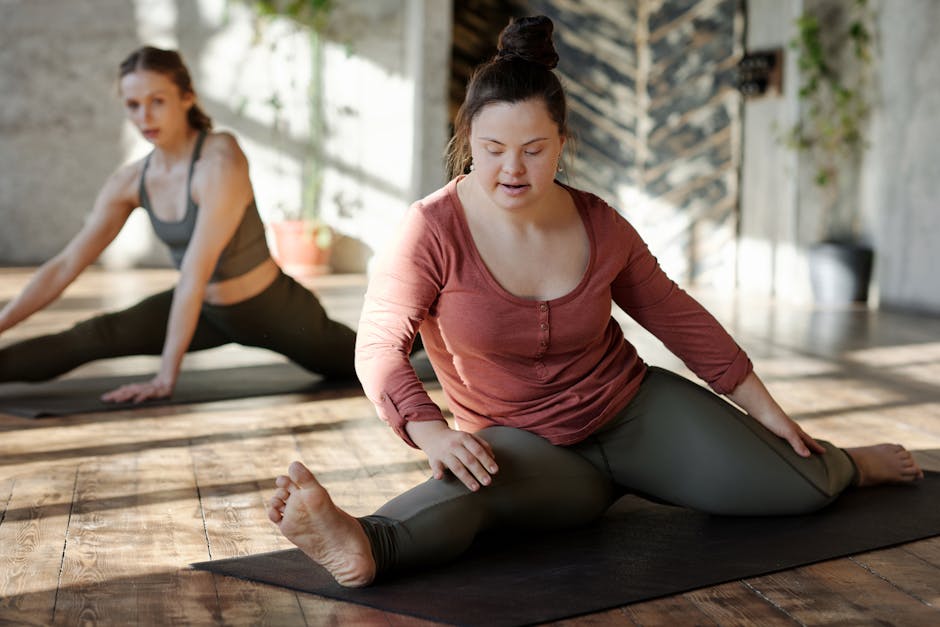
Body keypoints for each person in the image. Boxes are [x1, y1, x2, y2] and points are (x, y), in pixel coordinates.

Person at [266, 16, 923, 587]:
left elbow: (676, 314)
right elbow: (379, 344)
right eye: (492, 150)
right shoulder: (431, 229)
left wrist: (763, 407)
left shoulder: (597, 221)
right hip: (525, 442)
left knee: (798, 488)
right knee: (468, 490)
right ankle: (363, 544)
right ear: (468, 139)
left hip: (633, 411)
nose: (512, 170)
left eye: (533, 149)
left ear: (562, 142)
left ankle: (850, 464)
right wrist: (429, 427)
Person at [0, 46, 357, 402]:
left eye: (158, 101)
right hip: (204, 310)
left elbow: (194, 273)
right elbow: (64, 266)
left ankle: (410, 348)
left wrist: (164, 378)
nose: (145, 117)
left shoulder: (219, 160)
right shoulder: (130, 181)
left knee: (370, 362)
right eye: (133, 105)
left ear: (187, 97)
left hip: (273, 309)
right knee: (93, 335)